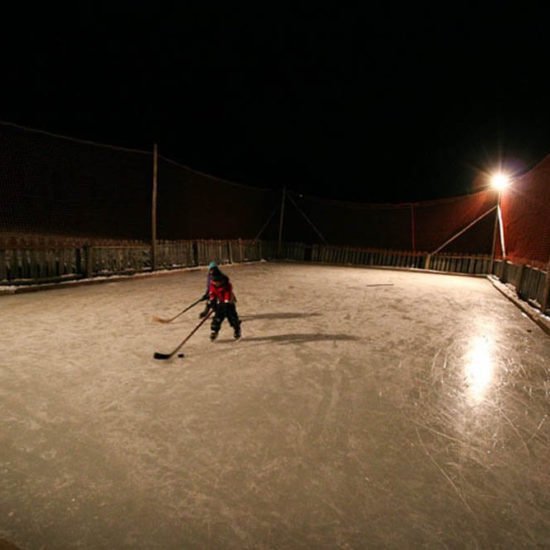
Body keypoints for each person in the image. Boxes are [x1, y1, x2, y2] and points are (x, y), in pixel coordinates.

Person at [207, 270, 241, 341]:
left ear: (221, 280)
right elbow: (212, 293)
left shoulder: (227, 285)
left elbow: (227, 293)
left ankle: (237, 329)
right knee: (217, 318)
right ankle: (214, 331)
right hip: (220, 303)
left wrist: (226, 302)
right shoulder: (213, 285)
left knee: (232, 318)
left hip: (229, 303)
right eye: (214, 281)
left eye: (217, 281)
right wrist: (212, 300)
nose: (215, 283)